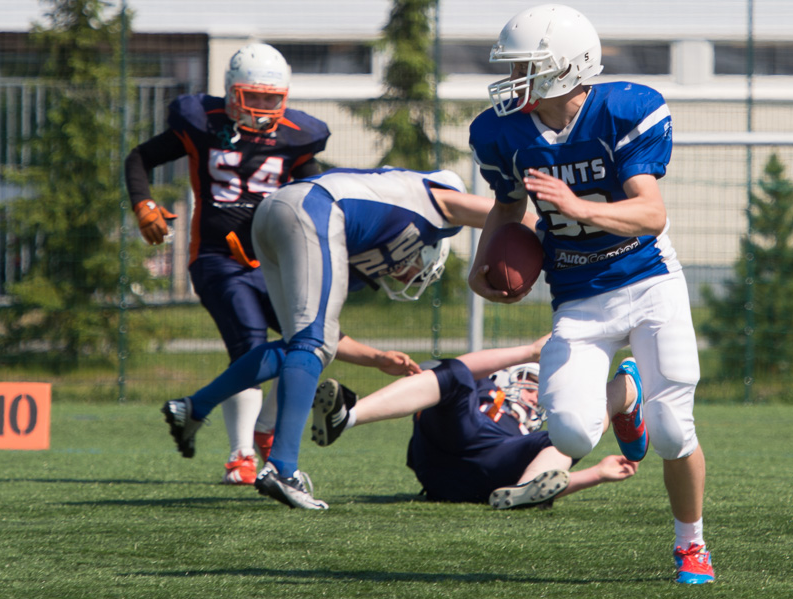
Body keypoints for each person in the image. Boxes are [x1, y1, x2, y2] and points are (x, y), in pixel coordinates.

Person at [466, 4, 714, 584]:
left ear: (564, 68)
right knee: (573, 432)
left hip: (648, 281)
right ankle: (623, 399)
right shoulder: (501, 132)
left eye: (527, 65)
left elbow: (651, 213)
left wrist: (577, 207)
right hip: (577, 296)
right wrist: (484, 264)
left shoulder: (624, 110)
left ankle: (690, 544)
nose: (515, 76)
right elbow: (508, 204)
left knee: (675, 428)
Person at [124, 43, 418, 485]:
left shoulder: (296, 137)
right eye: (253, 97)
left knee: (305, 340)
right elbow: (139, 157)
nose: (262, 108)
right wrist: (143, 202)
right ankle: (240, 454)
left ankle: (258, 430)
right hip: (217, 258)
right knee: (248, 343)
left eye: (270, 98)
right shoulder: (202, 124)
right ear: (230, 93)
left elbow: (322, 196)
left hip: (273, 260)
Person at [160, 166, 515, 510]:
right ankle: (282, 469)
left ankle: (195, 406)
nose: (410, 272)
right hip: (312, 206)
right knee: (310, 344)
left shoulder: (368, 238)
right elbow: (505, 211)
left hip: (275, 212)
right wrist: (554, 230)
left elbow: (326, 339)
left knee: (299, 345)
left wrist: (376, 358)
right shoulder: (438, 204)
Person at [310, 335, 638, 508]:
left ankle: (524, 486)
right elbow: (460, 369)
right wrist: (530, 352)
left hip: (496, 472)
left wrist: (595, 475)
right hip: (446, 449)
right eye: (528, 381)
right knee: (450, 373)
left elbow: (550, 483)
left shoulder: (533, 438)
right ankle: (346, 417)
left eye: (541, 390)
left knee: (571, 429)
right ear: (507, 377)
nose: (533, 393)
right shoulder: (485, 386)